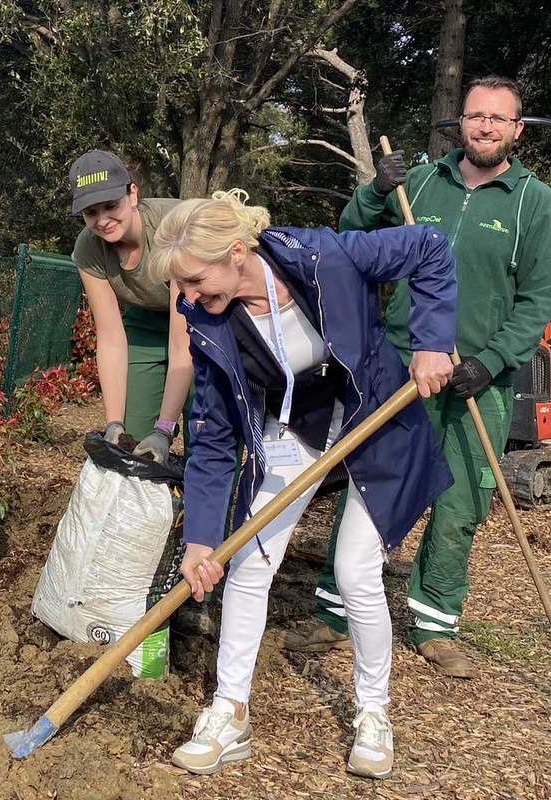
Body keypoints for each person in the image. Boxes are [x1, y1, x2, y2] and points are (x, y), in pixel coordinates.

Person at [148, 190, 457, 779]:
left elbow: (431, 247)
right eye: (179, 288)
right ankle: (229, 711)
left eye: (193, 281)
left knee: (354, 569)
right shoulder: (207, 318)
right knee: (247, 563)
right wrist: (200, 540)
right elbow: (213, 435)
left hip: (378, 414)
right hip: (300, 424)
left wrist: (433, 341)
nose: (186, 300)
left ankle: (373, 713)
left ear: (237, 252)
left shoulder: (326, 256)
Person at [288, 76, 551, 678]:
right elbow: (354, 235)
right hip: (400, 365)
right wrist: (376, 190)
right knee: (374, 485)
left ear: (517, 129)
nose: (484, 126)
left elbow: (538, 301)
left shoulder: (535, 203)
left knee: (460, 504)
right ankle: (335, 614)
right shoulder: (423, 182)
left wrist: (493, 360)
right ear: (461, 122)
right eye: (475, 115)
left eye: (498, 118)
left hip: (479, 376)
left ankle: (434, 622)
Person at [68, 150, 192, 461]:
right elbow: (110, 336)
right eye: (91, 212)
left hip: (202, 323)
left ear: (132, 193)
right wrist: (114, 423)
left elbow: (182, 342)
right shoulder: (88, 249)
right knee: (132, 442)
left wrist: (165, 429)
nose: (103, 221)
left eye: (111, 206)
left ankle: (198, 505)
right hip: (146, 322)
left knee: (207, 432)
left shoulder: (172, 228)